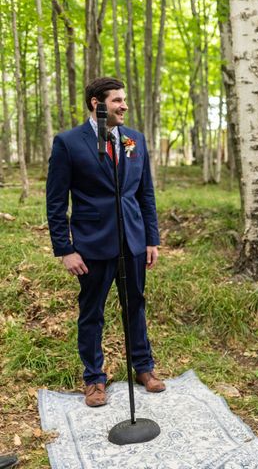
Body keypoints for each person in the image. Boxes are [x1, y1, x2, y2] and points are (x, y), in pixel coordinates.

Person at [46, 77, 165, 407]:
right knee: (92, 313)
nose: (124, 105)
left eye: (124, 100)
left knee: (135, 307)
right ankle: (94, 379)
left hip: (133, 242)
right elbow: (56, 201)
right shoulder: (68, 143)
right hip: (92, 244)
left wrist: (151, 239)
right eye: (116, 101)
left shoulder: (135, 140)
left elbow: (146, 194)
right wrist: (65, 249)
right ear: (96, 104)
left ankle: (143, 368)